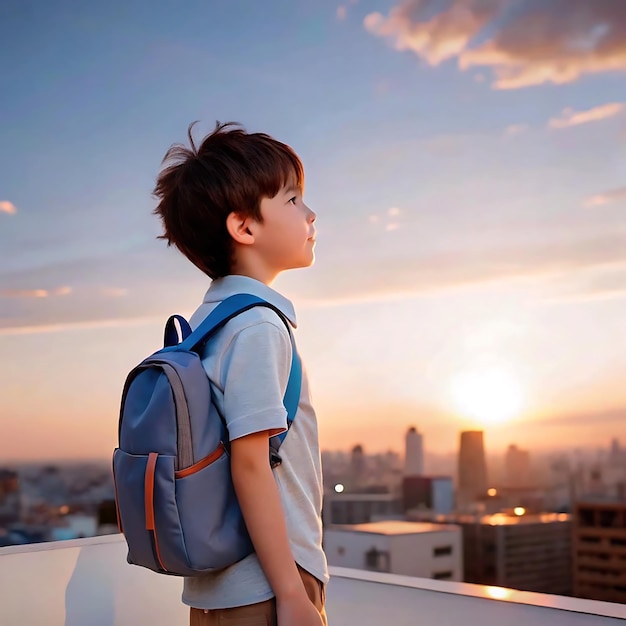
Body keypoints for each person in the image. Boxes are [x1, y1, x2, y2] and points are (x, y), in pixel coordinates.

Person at [153, 121, 328, 626]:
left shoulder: (206, 323)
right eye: (293, 200)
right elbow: (251, 465)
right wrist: (293, 594)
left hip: (215, 586)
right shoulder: (257, 327)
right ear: (245, 227)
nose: (312, 214)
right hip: (270, 585)